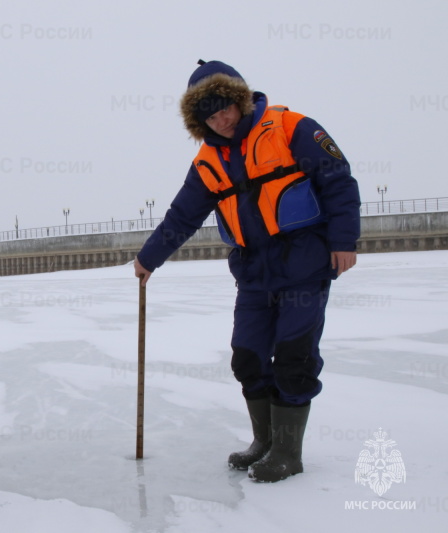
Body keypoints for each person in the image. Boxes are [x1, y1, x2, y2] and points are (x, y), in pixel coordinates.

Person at [134, 60, 360, 482]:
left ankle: (288, 453)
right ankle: (265, 442)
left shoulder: (291, 127)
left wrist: (345, 240)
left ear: (239, 100)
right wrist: (149, 258)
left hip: (304, 264)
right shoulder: (207, 162)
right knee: (248, 357)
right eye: (209, 115)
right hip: (254, 272)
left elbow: (338, 179)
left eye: (225, 108)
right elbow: (181, 217)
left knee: (294, 356)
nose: (221, 119)